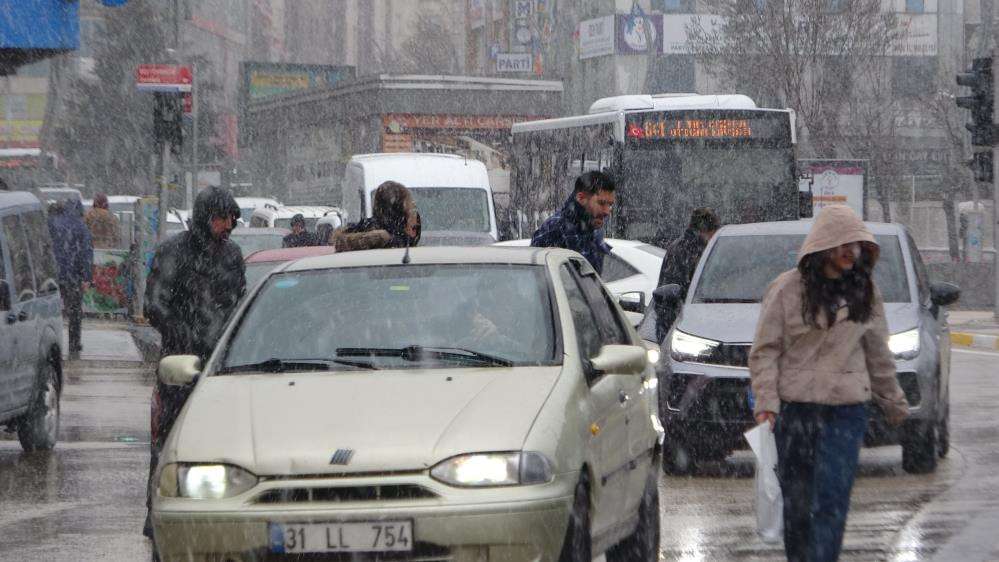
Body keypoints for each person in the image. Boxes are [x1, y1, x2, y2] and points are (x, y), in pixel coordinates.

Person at [748, 205, 909, 562]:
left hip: (847, 412)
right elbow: (765, 351)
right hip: (796, 410)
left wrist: (893, 401)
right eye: (843, 245)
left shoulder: (865, 292)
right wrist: (767, 403)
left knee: (833, 499)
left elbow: (878, 353)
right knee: (799, 503)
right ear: (823, 248)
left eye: (857, 246)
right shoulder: (787, 289)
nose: (851, 253)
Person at [142, 186, 245, 538]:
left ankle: (220, 508)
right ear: (206, 218)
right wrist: (187, 336)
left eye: (232, 218)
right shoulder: (173, 252)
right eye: (222, 218)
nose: (228, 225)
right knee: (169, 439)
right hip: (180, 363)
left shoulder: (232, 255)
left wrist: (229, 341)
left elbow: (237, 304)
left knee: (225, 440)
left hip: (222, 364)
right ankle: (157, 510)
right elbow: (154, 304)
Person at [653, 207, 720, 342]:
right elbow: (680, 291)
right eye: (714, 232)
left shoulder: (681, 247)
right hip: (680, 325)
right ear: (705, 231)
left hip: (673, 322)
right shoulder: (689, 251)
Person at [530, 171, 615, 274]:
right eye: (601, 203)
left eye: (610, 205)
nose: (607, 211)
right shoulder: (557, 227)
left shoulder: (592, 229)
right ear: (580, 198)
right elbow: (536, 277)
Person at [48, 199, 93, 360]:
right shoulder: (81, 226)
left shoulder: (52, 222)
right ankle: (74, 343)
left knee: (50, 312)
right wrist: (86, 277)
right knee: (74, 312)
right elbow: (86, 252)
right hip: (73, 277)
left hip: (53, 276)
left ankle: (50, 343)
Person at [333, 181, 421, 252]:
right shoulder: (399, 248)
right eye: (411, 208)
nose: (416, 218)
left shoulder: (363, 228)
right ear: (399, 212)